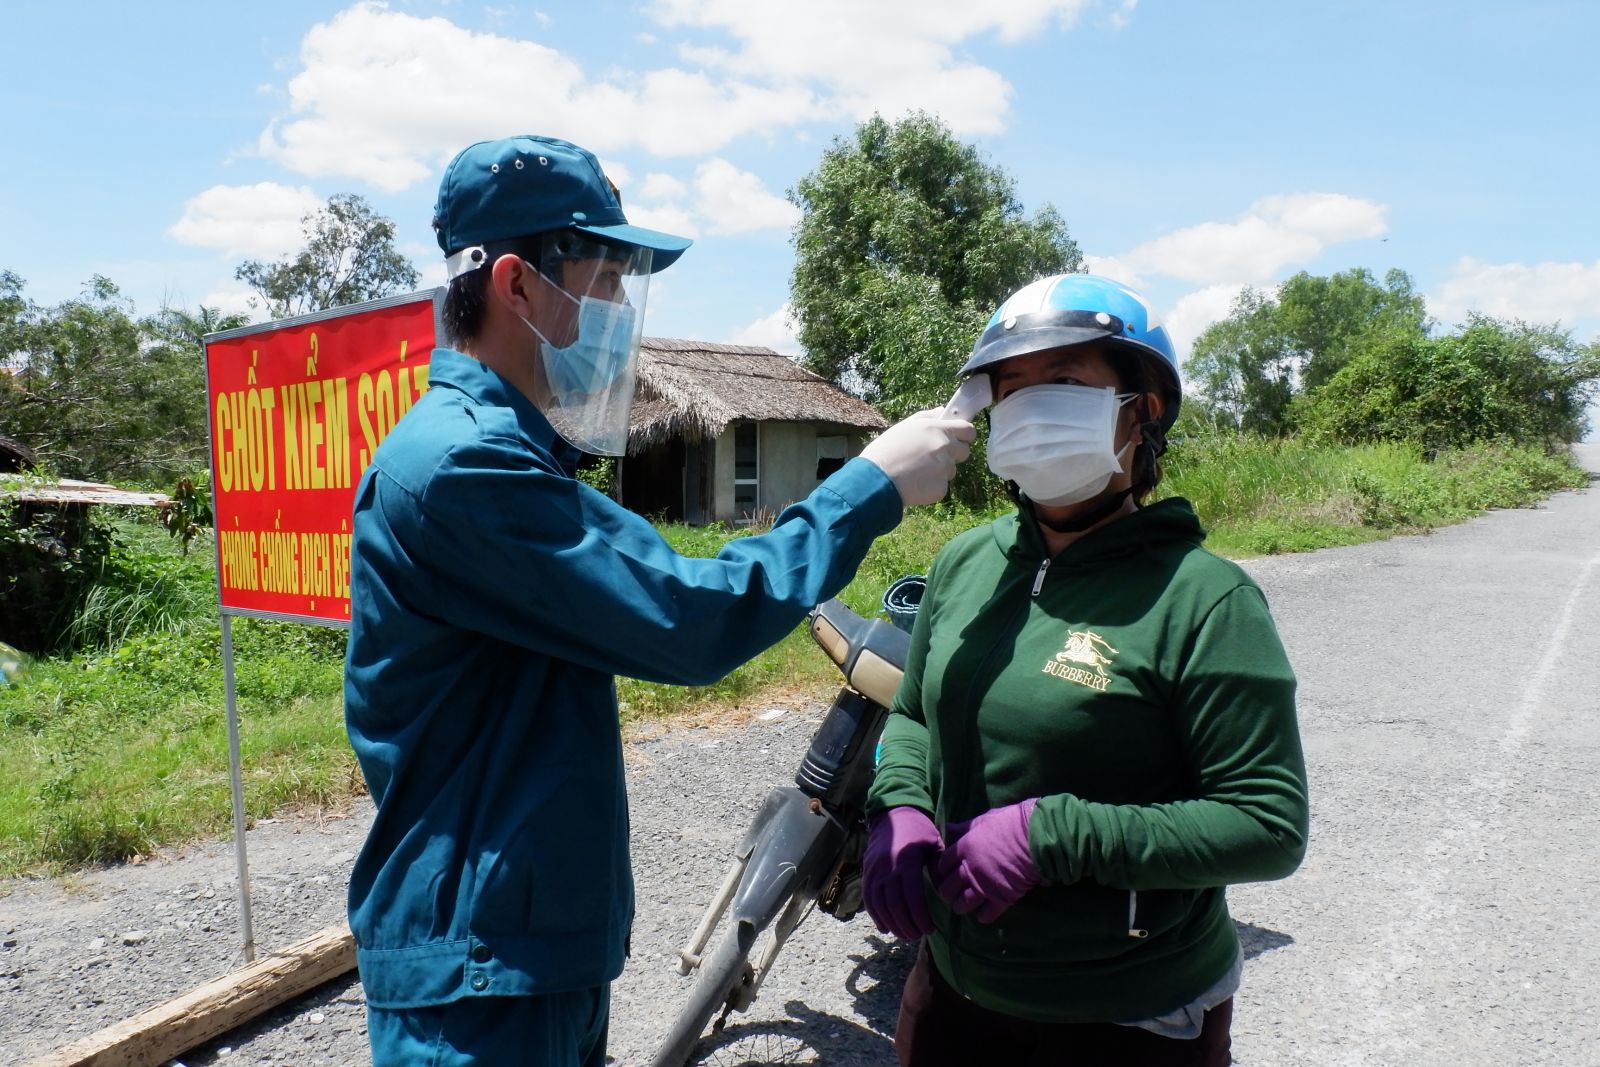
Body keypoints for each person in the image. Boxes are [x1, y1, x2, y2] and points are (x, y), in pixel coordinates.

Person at [342, 134, 975, 1067]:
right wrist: (868, 487)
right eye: (602, 281)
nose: (615, 312)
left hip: (516, 949)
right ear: (517, 285)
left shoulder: (509, 453)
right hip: (477, 971)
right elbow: (687, 614)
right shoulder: (462, 467)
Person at [862, 273, 1309, 1067]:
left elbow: (1266, 825)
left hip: (1132, 1014)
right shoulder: (967, 562)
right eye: (1014, 387)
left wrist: (1054, 832)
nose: (1032, 409)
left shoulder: (1205, 599)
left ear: (1144, 411)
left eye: (1065, 382)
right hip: (955, 989)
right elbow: (915, 715)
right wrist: (898, 804)